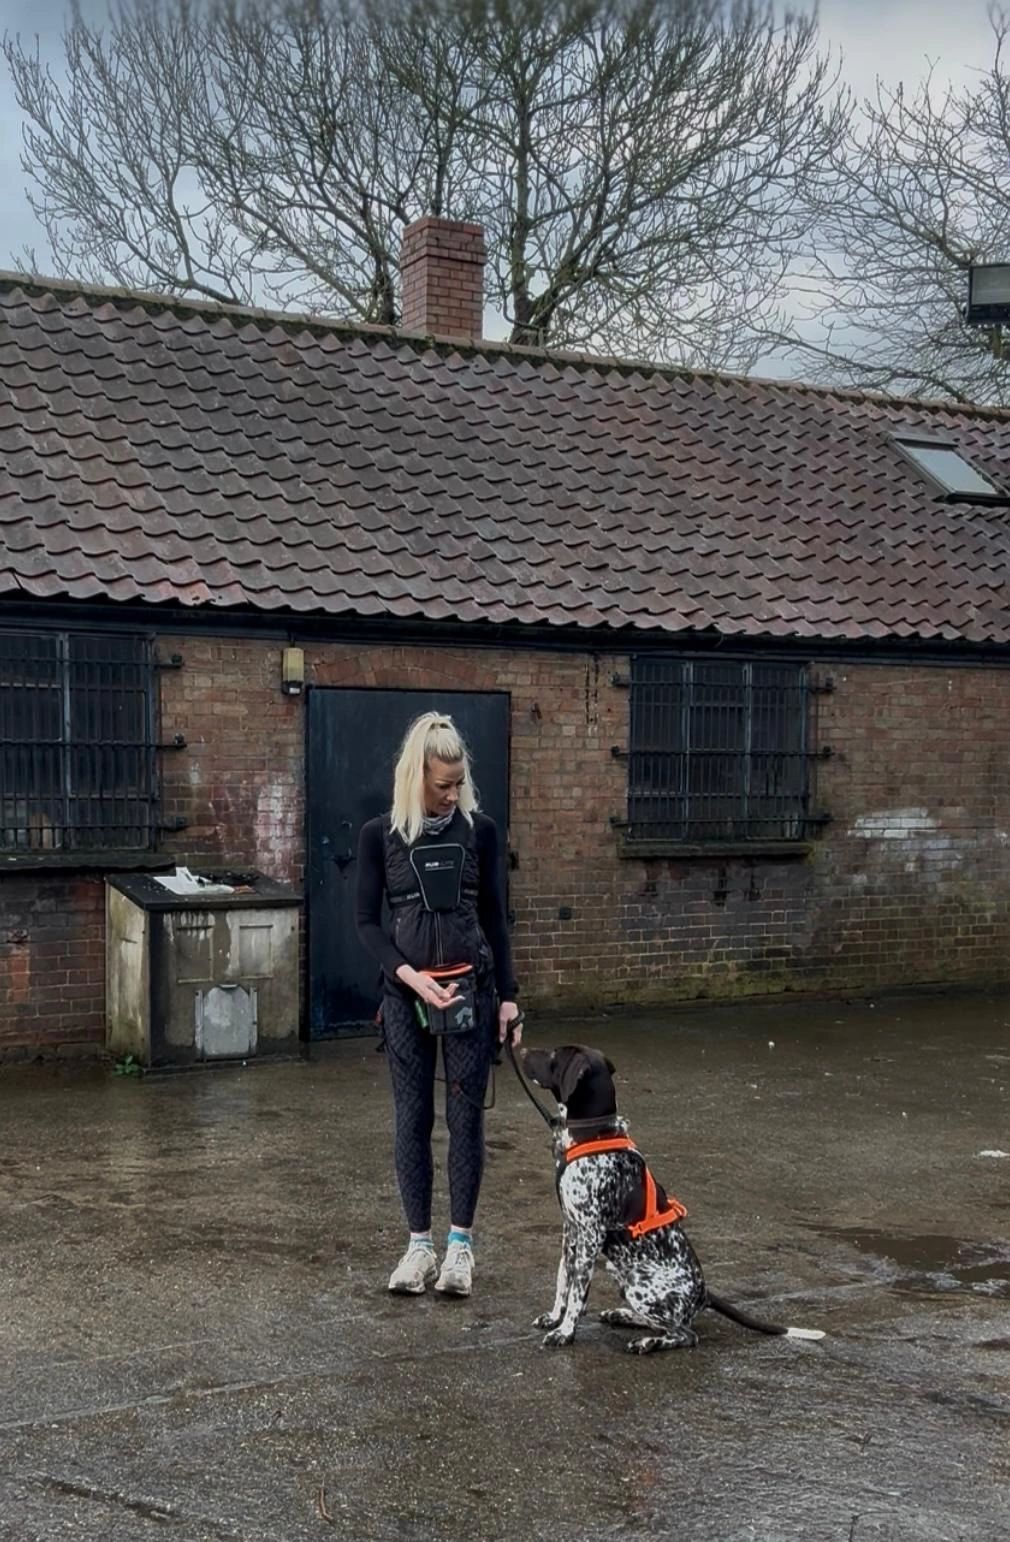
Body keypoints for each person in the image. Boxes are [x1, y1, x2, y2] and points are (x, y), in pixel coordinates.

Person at [355, 711, 521, 1299]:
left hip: (470, 991)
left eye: (458, 783)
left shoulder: (482, 831)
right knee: (413, 1119)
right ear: (415, 775)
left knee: (465, 1119)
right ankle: (418, 1247)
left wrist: (509, 998)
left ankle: (460, 1250)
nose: (452, 795)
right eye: (441, 784)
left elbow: (496, 918)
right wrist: (409, 977)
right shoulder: (380, 835)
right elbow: (366, 923)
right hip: (406, 997)